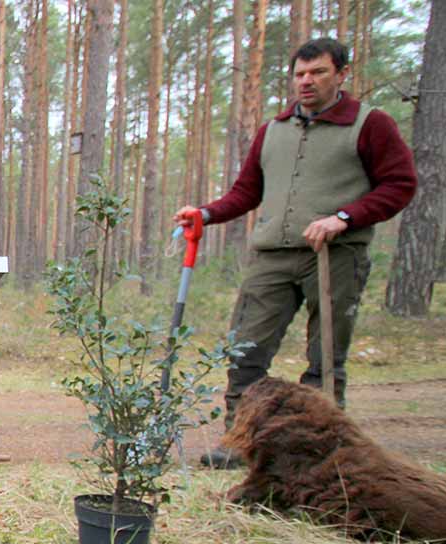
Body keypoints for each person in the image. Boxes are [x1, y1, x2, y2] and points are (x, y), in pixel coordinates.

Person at [174, 37, 416, 469]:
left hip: (335, 255)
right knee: (245, 351)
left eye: (318, 72)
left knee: (325, 359)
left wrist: (344, 217)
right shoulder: (274, 130)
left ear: (341, 74)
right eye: (300, 74)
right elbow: (246, 192)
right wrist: (206, 213)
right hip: (271, 257)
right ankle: (239, 440)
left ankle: (319, 449)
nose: (306, 81)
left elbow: (399, 185)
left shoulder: (370, 125)